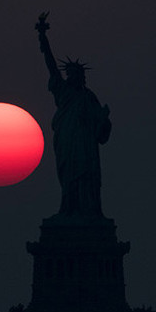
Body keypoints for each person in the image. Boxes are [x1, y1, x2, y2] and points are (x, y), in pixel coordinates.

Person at [36, 12, 112, 218]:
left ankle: (90, 212)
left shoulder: (88, 97)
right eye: (70, 74)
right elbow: (51, 66)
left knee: (88, 176)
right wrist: (43, 37)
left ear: (82, 77)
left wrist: (104, 120)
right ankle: (68, 209)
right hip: (67, 140)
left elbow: (101, 129)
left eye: (77, 74)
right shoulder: (63, 92)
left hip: (86, 143)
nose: (73, 77)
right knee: (69, 176)